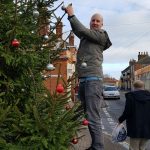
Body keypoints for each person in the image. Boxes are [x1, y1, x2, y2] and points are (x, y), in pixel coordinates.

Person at [65, 4, 112, 150]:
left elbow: (80, 29)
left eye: (98, 21)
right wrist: (68, 16)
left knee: (93, 116)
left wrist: (72, 15)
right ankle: (95, 145)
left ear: (102, 24)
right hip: (85, 80)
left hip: (93, 80)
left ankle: (98, 147)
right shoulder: (87, 37)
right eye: (93, 20)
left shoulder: (101, 35)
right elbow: (78, 30)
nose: (95, 23)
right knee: (86, 114)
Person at [118, 80, 150, 150]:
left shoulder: (131, 97)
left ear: (134, 87)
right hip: (148, 128)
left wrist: (120, 120)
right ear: (143, 87)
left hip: (135, 128)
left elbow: (127, 111)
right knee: (143, 148)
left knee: (133, 148)